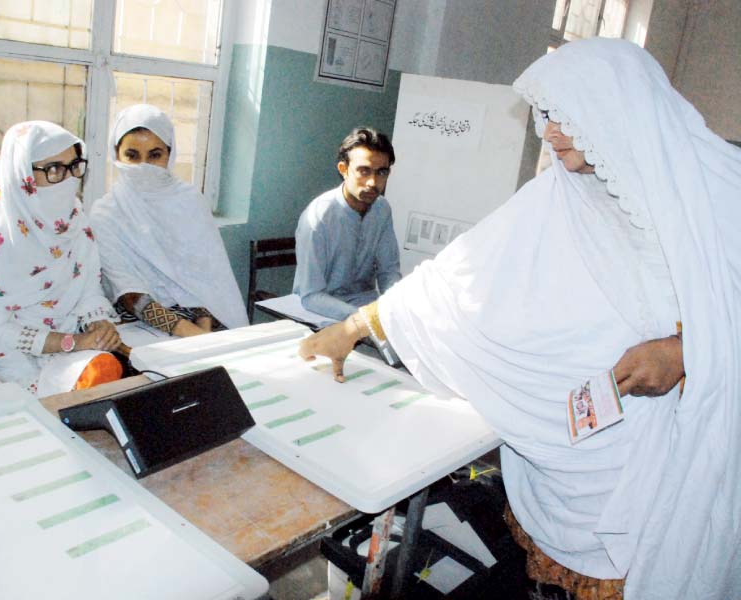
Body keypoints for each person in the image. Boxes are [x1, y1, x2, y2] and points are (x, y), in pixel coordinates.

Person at [299, 39, 740, 600]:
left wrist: (685, 356)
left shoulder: (720, 192)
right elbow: (456, 279)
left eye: (565, 116)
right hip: (575, 459)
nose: (548, 133)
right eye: (546, 116)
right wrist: (353, 328)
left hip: (669, 458)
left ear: (614, 107)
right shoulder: (557, 194)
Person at [0, 121, 124, 396]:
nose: (68, 179)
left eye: (75, 165)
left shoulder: (73, 221)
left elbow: (88, 287)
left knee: (106, 374)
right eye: (53, 169)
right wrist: (70, 342)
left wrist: (98, 322)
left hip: (66, 337)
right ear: (22, 174)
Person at [90, 104, 248, 337]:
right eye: (132, 156)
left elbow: (207, 277)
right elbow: (128, 293)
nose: (143, 166)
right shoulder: (105, 213)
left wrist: (204, 328)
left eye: (155, 155)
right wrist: (191, 335)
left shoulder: (189, 200)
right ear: (116, 154)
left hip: (202, 316)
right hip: (139, 319)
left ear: (170, 154)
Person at [292, 127, 402, 321]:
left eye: (382, 172)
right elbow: (311, 296)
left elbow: (388, 272)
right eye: (364, 171)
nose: (372, 182)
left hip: (365, 306)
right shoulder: (318, 218)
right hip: (320, 311)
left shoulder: (382, 209)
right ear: (343, 169)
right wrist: (364, 321)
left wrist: (395, 308)